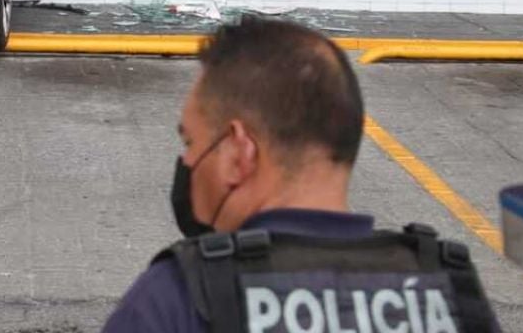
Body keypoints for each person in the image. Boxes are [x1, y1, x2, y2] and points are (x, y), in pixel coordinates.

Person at [103, 16, 499, 333]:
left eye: (191, 143)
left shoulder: (180, 299)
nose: (187, 163)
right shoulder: (449, 293)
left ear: (239, 153)